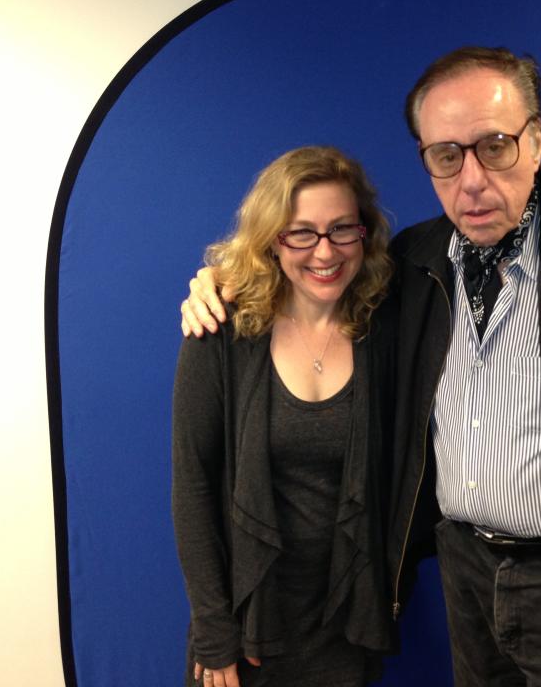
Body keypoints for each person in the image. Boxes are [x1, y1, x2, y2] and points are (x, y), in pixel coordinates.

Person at [181, 47, 541, 687]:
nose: (471, 180)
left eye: (494, 146)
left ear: (536, 142)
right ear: (427, 162)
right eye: (446, 155)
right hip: (465, 575)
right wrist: (221, 280)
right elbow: (311, 275)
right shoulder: (412, 267)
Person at [172, 146, 395, 687]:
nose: (325, 251)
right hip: (248, 627)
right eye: (302, 232)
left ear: (364, 234)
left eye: (343, 229)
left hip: (346, 624)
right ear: (273, 238)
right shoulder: (223, 330)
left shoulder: (388, 325)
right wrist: (212, 629)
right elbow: (192, 486)